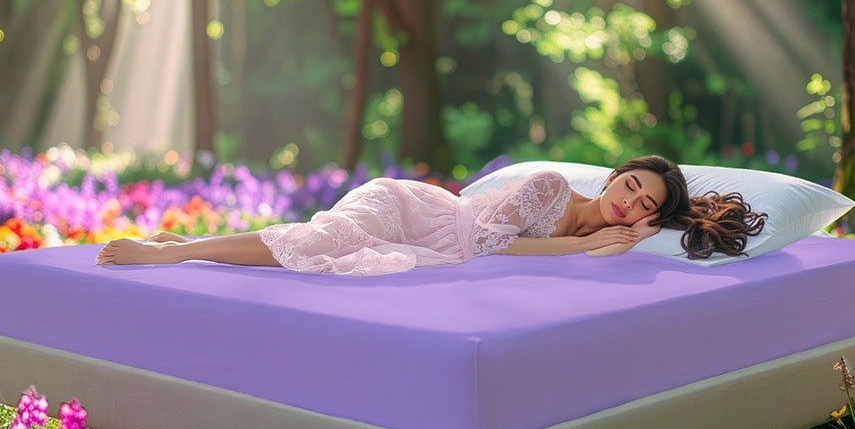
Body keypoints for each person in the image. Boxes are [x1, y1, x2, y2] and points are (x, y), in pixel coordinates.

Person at [94, 155, 766, 275]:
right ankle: (172, 251)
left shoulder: (618, 238)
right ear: (614, 175)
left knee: (332, 246)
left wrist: (626, 240)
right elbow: (489, 246)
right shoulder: (549, 187)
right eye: (630, 185)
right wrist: (585, 246)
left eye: (646, 205)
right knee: (331, 238)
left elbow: (606, 245)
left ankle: (186, 244)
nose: (630, 201)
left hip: (439, 243)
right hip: (413, 208)